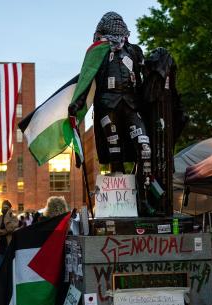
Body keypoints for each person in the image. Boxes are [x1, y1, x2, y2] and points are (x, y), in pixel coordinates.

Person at [68, 11, 158, 214]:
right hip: (108, 106)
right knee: (114, 150)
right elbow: (88, 78)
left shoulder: (134, 51)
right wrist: (77, 103)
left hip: (131, 105)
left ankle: (143, 197)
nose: (117, 27)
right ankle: (121, 205)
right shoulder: (97, 52)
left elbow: (146, 75)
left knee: (144, 146)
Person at [0, 200, 18, 275]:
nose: (4, 209)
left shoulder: (14, 219)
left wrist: (7, 217)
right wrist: (6, 232)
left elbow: (10, 228)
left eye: (6, 208)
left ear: (10, 209)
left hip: (9, 249)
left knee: (9, 273)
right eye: (3, 207)